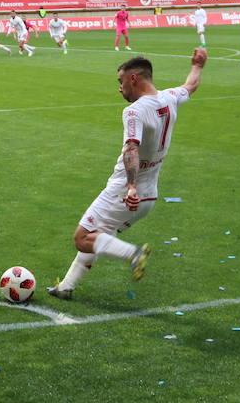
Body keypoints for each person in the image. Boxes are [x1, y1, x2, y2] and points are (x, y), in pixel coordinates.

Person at [47, 50, 207, 300]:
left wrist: (130, 186)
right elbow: (191, 85)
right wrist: (198, 66)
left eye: (121, 82)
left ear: (134, 79)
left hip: (124, 191)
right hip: (149, 196)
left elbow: (131, 148)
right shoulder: (169, 98)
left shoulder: (134, 111)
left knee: (82, 238)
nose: (120, 89)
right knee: (99, 235)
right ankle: (66, 287)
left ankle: (133, 254)